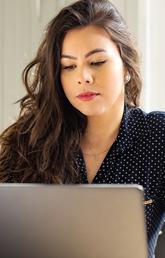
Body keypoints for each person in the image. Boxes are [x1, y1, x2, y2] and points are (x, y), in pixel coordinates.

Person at [0, 0, 165, 257]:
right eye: (68, 66)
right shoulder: (27, 141)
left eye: (97, 62)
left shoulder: (157, 135)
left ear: (127, 67)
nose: (83, 77)